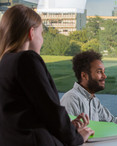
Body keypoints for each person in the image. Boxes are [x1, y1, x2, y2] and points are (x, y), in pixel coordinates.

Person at [0, 5, 94, 146]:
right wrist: (76, 137)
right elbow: (50, 110)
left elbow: (28, 113)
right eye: (41, 33)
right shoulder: (27, 59)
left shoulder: (4, 62)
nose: (42, 40)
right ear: (31, 33)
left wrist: (68, 127)